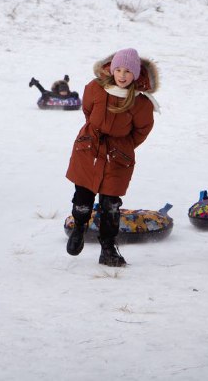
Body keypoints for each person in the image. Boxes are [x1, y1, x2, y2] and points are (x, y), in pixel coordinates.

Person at [65, 48, 159, 267]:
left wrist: (123, 145)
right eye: (118, 69)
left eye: (128, 71)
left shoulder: (141, 102)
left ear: (135, 74)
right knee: (83, 195)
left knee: (111, 204)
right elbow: (88, 111)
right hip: (89, 148)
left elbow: (142, 130)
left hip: (119, 156)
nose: (122, 75)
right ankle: (79, 227)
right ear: (111, 69)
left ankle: (108, 247)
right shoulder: (96, 88)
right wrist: (96, 135)